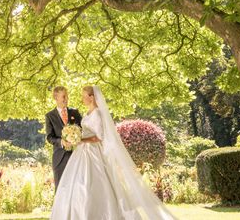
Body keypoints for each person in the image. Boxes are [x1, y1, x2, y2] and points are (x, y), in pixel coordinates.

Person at [50, 85, 178, 220]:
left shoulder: (98, 114)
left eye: (84, 96)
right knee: (80, 184)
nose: (82, 99)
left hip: (93, 152)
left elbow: (98, 137)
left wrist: (80, 139)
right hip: (82, 152)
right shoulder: (87, 113)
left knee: (96, 183)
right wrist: (74, 136)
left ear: (91, 97)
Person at [45, 85, 82, 189]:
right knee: (61, 189)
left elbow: (82, 130)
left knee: (76, 188)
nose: (66, 99)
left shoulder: (75, 112)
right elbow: (49, 137)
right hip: (59, 158)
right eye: (63, 96)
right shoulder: (49, 116)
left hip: (76, 155)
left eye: (67, 96)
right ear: (56, 98)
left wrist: (77, 139)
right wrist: (61, 142)